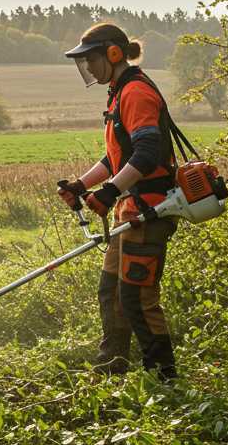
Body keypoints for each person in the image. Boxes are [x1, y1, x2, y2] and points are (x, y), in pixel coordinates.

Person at [57, 23, 179, 379]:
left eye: (90, 60)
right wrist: (82, 185)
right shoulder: (118, 91)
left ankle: (164, 378)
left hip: (150, 209)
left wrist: (109, 192)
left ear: (112, 54)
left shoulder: (136, 92)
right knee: (111, 292)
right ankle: (112, 370)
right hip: (131, 208)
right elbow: (116, 157)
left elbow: (146, 151)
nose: (88, 68)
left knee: (138, 299)